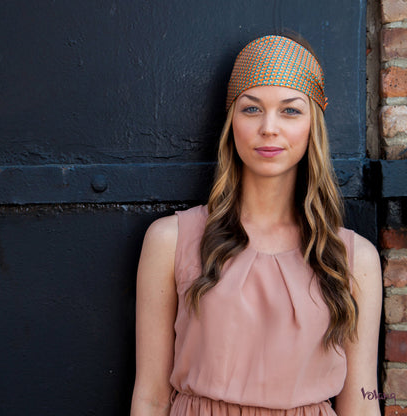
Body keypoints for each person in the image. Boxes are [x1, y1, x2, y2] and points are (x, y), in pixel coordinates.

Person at [130, 33, 382, 416]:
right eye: (251, 109)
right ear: (232, 121)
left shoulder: (353, 257)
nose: (269, 127)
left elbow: (364, 403)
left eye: (290, 110)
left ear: (313, 124)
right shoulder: (171, 241)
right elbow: (150, 397)